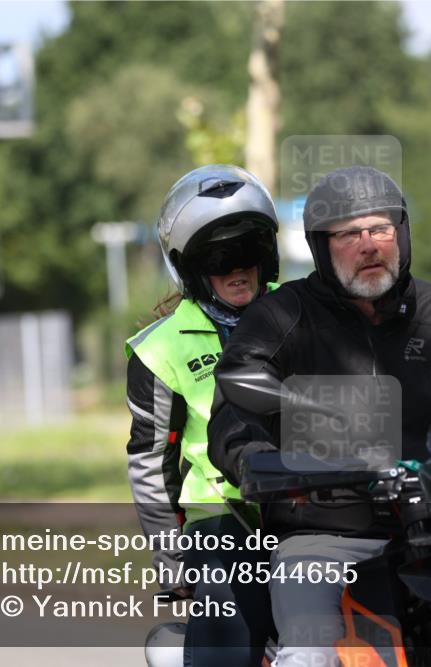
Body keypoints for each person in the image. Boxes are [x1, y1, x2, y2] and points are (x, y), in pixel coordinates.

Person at [208, 166, 431, 666]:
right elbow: (234, 410)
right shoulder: (281, 317)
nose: (368, 246)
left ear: (401, 234)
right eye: (347, 234)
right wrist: (257, 459)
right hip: (325, 535)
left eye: (380, 228)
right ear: (321, 248)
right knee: (310, 652)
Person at [124, 164, 279, 667]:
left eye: (248, 251)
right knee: (228, 632)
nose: (237, 268)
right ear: (189, 268)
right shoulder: (159, 350)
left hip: (313, 504)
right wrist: (172, 561)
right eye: (218, 257)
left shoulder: (305, 314)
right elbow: (152, 465)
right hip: (222, 518)